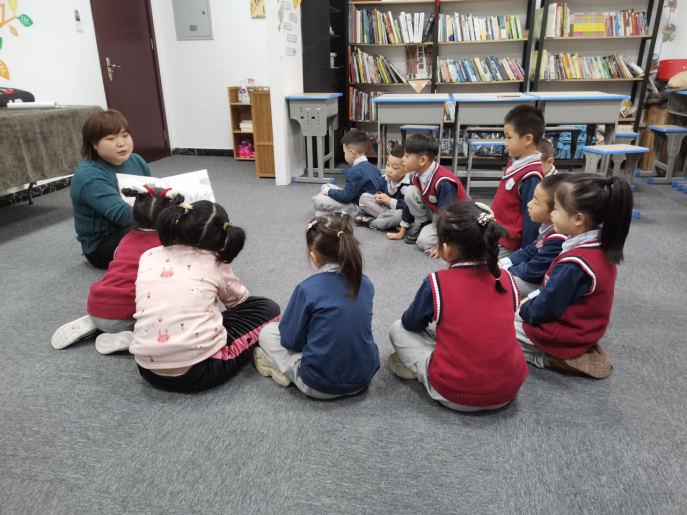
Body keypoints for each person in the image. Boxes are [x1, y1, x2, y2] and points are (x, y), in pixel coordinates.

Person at [388, 202, 528, 412]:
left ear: (447, 249)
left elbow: (411, 324)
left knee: (397, 329)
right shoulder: (507, 279)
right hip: (508, 391)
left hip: (454, 394)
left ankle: (421, 369)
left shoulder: (437, 282)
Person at [132, 200, 281, 392]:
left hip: (146, 370)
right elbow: (239, 302)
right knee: (268, 308)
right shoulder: (214, 261)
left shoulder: (148, 255)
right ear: (222, 236)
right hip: (200, 372)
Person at [515, 173, 633, 379]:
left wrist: (521, 311)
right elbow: (554, 292)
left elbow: (546, 307)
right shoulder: (598, 245)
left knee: (496, 333)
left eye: (556, 209)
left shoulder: (574, 264)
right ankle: (579, 349)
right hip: (585, 328)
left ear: (578, 218)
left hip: (566, 331)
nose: (552, 214)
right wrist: (530, 300)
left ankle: (551, 358)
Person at [255, 212, 380, 399]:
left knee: (268, 333)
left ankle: (282, 369)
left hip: (319, 386)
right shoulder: (365, 282)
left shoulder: (307, 289)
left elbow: (290, 342)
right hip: (363, 378)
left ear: (314, 256)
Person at [51, 186, 184, 354]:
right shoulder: (167, 245)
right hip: (126, 315)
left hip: (96, 303)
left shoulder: (125, 239)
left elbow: (116, 260)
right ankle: (134, 336)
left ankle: (94, 322)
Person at [70, 109, 152, 269]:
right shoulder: (89, 175)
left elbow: (151, 197)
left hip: (136, 225)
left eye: (125, 135)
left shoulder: (136, 160)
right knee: (167, 235)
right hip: (103, 244)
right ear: (94, 144)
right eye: (111, 138)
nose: (121, 143)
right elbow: (124, 216)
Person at [499, 174, 568, 299]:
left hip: (541, 285)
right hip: (533, 276)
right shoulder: (547, 229)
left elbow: (532, 271)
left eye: (535, 202)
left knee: (499, 281)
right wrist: (503, 262)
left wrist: (504, 269)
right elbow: (530, 250)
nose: (528, 204)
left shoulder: (559, 239)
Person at [399, 133, 467, 257]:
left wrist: (440, 245)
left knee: (423, 242)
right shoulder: (417, 175)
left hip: (454, 220)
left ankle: (452, 240)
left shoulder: (444, 182)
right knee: (409, 191)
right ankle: (424, 225)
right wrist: (402, 230)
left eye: (407, 156)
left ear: (422, 160)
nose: (402, 159)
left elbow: (447, 215)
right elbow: (408, 204)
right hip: (435, 212)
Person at [491, 105, 545, 259]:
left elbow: (532, 220)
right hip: (496, 233)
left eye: (509, 137)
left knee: (482, 270)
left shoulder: (531, 176)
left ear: (528, 139)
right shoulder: (515, 162)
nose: (505, 142)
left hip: (508, 243)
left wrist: (525, 255)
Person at [313, 129, 381, 217]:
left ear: (352, 152)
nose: (344, 155)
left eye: (345, 152)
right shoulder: (375, 169)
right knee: (326, 186)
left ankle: (337, 214)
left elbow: (346, 197)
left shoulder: (354, 171)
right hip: (365, 202)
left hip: (359, 208)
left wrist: (327, 192)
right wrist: (327, 191)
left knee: (317, 200)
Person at [356, 143, 412, 233]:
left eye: (395, 168)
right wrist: (378, 196)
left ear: (406, 170)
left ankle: (372, 223)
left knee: (399, 215)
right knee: (364, 197)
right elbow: (378, 192)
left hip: (400, 212)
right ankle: (390, 222)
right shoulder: (383, 179)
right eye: (387, 164)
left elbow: (409, 207)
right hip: (385, 209)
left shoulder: (409, 184)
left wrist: (390, 201)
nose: (389, 170)